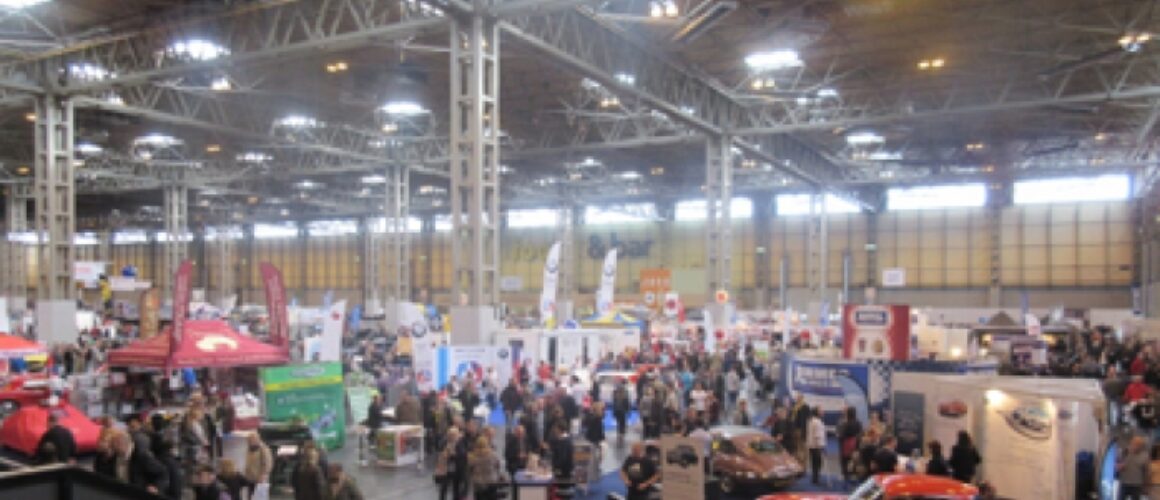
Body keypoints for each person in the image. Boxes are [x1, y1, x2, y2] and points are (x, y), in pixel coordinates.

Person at [468, 435, 505, 500]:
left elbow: (470, 469)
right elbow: (498, 466)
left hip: (478, 483)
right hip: (491, 481)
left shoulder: (472, 456)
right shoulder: (493, 455)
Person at [435, 427, 463, 500]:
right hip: (445, 468)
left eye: (454, 435)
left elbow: (462, 454)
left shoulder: (460, 443)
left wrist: (454, 454)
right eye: (450, 434)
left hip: (456, 468)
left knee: (456, 487)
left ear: (457, 435)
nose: (452, 436)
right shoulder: (444, 442)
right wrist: (444, 453)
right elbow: (440, 452)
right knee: (443, 487)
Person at [1119, 435, 1150, 500]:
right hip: (1124, 483)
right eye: (1133, 444)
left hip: (1137, 485)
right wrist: (1120, 466)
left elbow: (1146, 473)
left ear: (1141, 446)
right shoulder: (1125, 452)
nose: (1134, 446)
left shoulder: (1145, 456)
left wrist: (1146, 487)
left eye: (1137, 445)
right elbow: (1119, 465)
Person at [838, 406, 863, 481]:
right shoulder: (858, 423)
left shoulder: (846, 424)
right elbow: (861, 433)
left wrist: (840, 437)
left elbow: (842, 434)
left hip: (846, 443)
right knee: (854, 459)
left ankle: (845, 475)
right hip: (856, 443)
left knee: (845, 459)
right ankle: (854, 475)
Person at [807, 406, 826, 484]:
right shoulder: (817, 422)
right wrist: (821, 446)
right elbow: (818, 435)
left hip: (812, 445)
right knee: (817, 463)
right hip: (816, 446)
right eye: (821, 410)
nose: (823, 412)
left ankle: (815, 478)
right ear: (817, 412)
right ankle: (816, 479)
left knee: (814, 462)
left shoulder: (811, 421)